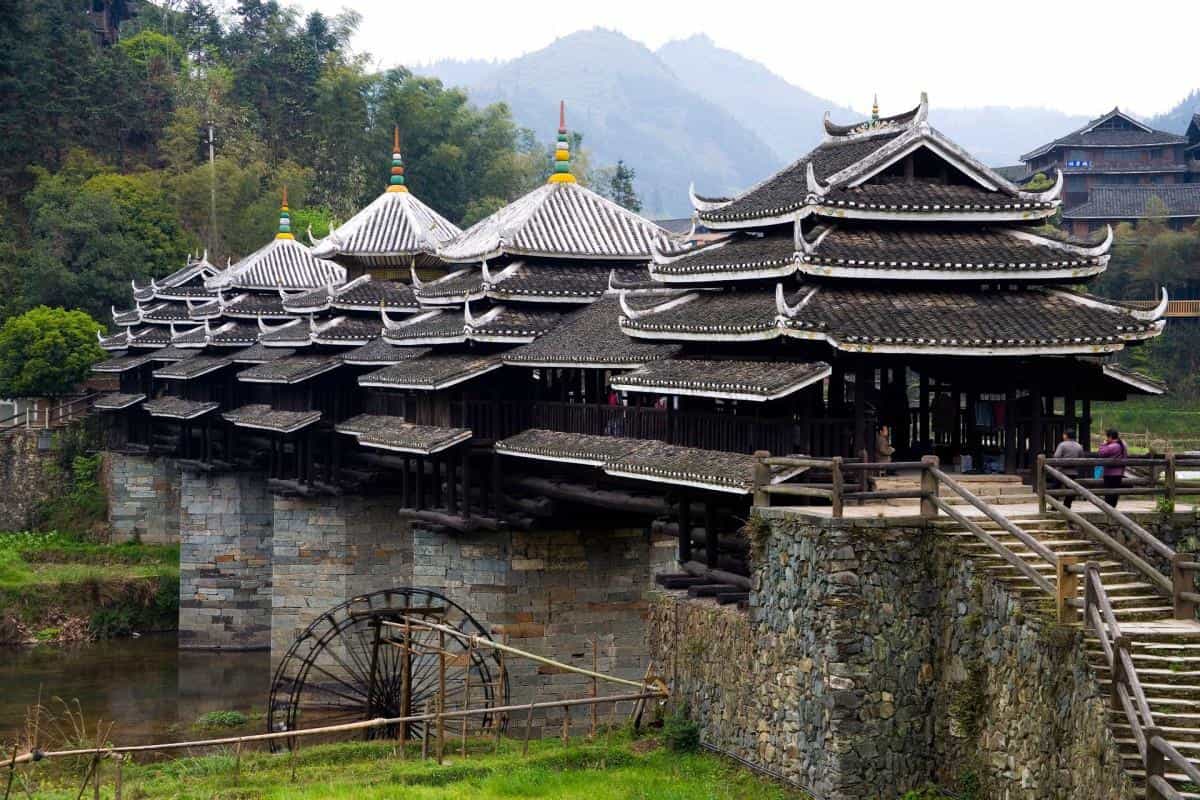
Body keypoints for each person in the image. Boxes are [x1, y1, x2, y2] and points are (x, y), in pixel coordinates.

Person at [1051, 429, 1085, 508]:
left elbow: (1056, 456)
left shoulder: (1062, 445)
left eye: (1064, 434)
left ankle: (1054, 506)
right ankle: (1067, 505)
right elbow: (1081, 457)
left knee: (1055, 488)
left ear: (1066, 435)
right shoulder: (1079, 446)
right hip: (1073, 471)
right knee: (1070, 490)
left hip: (1060, 471)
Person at [1097, 428, 1127, 507]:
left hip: (1110, 473)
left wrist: (1103, 444)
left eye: (1107, 437)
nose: (1106, 439)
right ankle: (1113, 510)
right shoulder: (1122, 444)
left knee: (1108, 494)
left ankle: (1109, 511)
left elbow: (1101, 453)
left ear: (1110, 437)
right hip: (1119, 473)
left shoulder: (1113, 446)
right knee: (1115, 494)